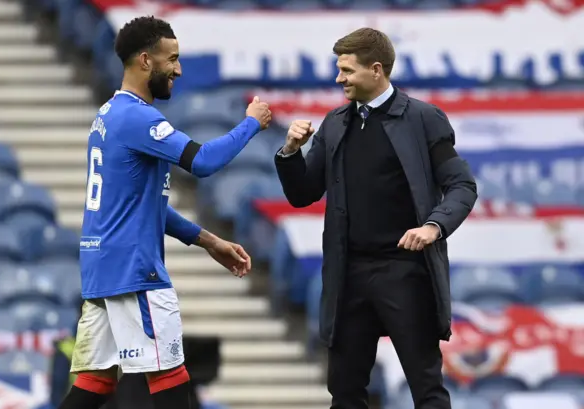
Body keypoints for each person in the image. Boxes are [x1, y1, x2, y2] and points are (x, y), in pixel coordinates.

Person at [57, 16, 272, 409]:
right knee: (171, 381)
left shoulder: (107, 115)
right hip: (136, 271)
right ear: (144, 61)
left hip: (103, 269)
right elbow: (204, 161)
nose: (179, 68)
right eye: (171, 59)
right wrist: (251, 124)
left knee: (94, 385)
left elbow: (146, 205)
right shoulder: (139, 118)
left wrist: (208, 241)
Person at [274, 28, 478, 409]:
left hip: (405, 272)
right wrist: (289, 153)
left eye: (347, 70)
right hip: (349, 275)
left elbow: (462, 185)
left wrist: (433, 226)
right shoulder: (335, 123)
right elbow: (303, 194)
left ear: (377, 70)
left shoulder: (423, 118)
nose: (339, 79)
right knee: (345, 392)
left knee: (427, 389)